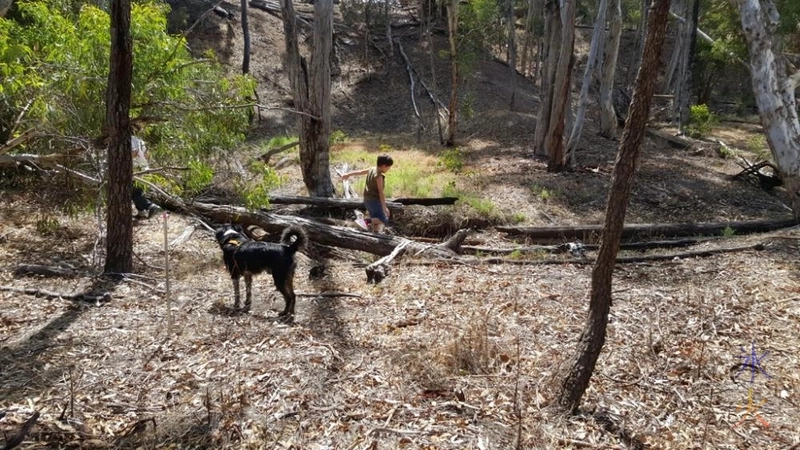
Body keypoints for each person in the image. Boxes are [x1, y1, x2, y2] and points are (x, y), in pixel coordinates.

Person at [341, 154, 394, 233]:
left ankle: (375, 234)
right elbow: (381, 193)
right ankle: (364, 221)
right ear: (383, 166)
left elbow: (360, 172)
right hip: (374, 201)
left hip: (367, 199)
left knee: (375, 218)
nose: (389, 169)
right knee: (383, 220)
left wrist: (349, 174)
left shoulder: (372, 169)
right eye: (388, 167)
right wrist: (384, 207)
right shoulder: (379, 176)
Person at [131, 135, 161, 219]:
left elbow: (134, 152)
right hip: (143, 169)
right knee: (137, 193)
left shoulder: (129, 139)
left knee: (134, 194)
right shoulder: (138, 139)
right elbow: (146, 153)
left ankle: (151, 206)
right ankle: (141, 213)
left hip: (137, 171)